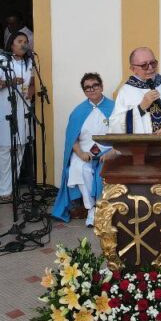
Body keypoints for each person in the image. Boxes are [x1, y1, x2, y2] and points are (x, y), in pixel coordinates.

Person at [110, 47, 161, 226]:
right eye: (144, 65)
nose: (150, 68)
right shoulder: (126, 91)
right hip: (141, 159)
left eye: (153, 63)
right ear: (133, 68)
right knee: (145, 203)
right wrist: (141, 107)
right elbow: (115, 124)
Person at [52, 73, 115, 226]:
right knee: (78, 169)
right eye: (87, 88)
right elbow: (72, 138)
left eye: (95, 85)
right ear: (84, 91)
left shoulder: (114, 108)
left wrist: (113, 151)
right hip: (84, 152)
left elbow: (123, 132)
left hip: (108, 151)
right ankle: (91, 209)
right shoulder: (78, 111)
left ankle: (103, 209)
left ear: (101, 86)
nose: (92, 89)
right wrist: (80, 153)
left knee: (102, 173)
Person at [0, 32, 34, 202]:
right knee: (5, 149)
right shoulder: (0, 59)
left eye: (26, 42)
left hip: (23, 109)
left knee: (20, 146)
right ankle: (4, 190)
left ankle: (13, 186)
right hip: (4, 110)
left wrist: (31, 91)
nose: (23, 44)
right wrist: (10, 82)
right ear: (11, 44)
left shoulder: (29, 62)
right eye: (19, 41)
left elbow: (32, 81)